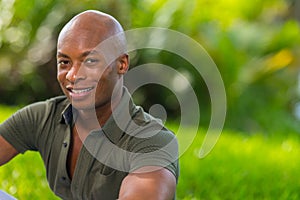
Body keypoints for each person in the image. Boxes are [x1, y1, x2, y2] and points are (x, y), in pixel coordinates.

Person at [0, 10, 179, 200]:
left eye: (91, 61)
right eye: (65, 62)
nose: (73, 75)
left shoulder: (153, 141)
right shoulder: (44, 117)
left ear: (122, 64)